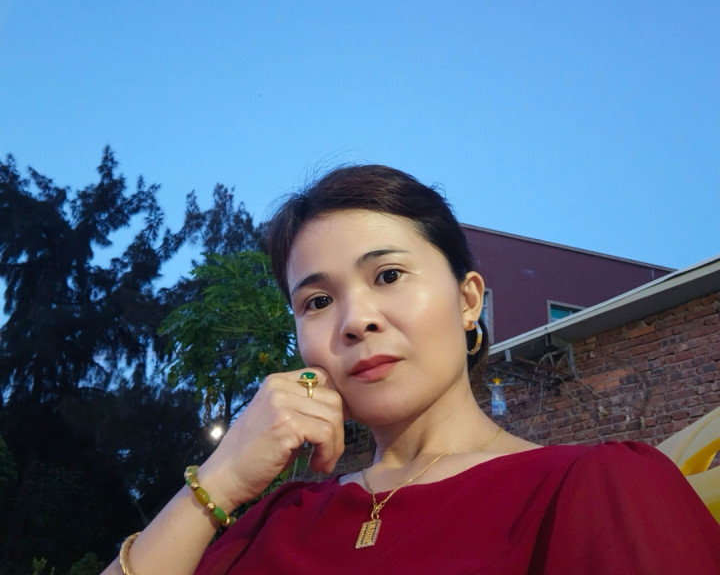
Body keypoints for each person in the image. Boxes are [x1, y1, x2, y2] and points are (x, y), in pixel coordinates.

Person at [102, 165, 720, 575]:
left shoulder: (598, 489)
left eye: (389, 275)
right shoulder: (272, 523)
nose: (355, 320)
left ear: (469, 300)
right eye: (317, 301)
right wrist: (220, 479)